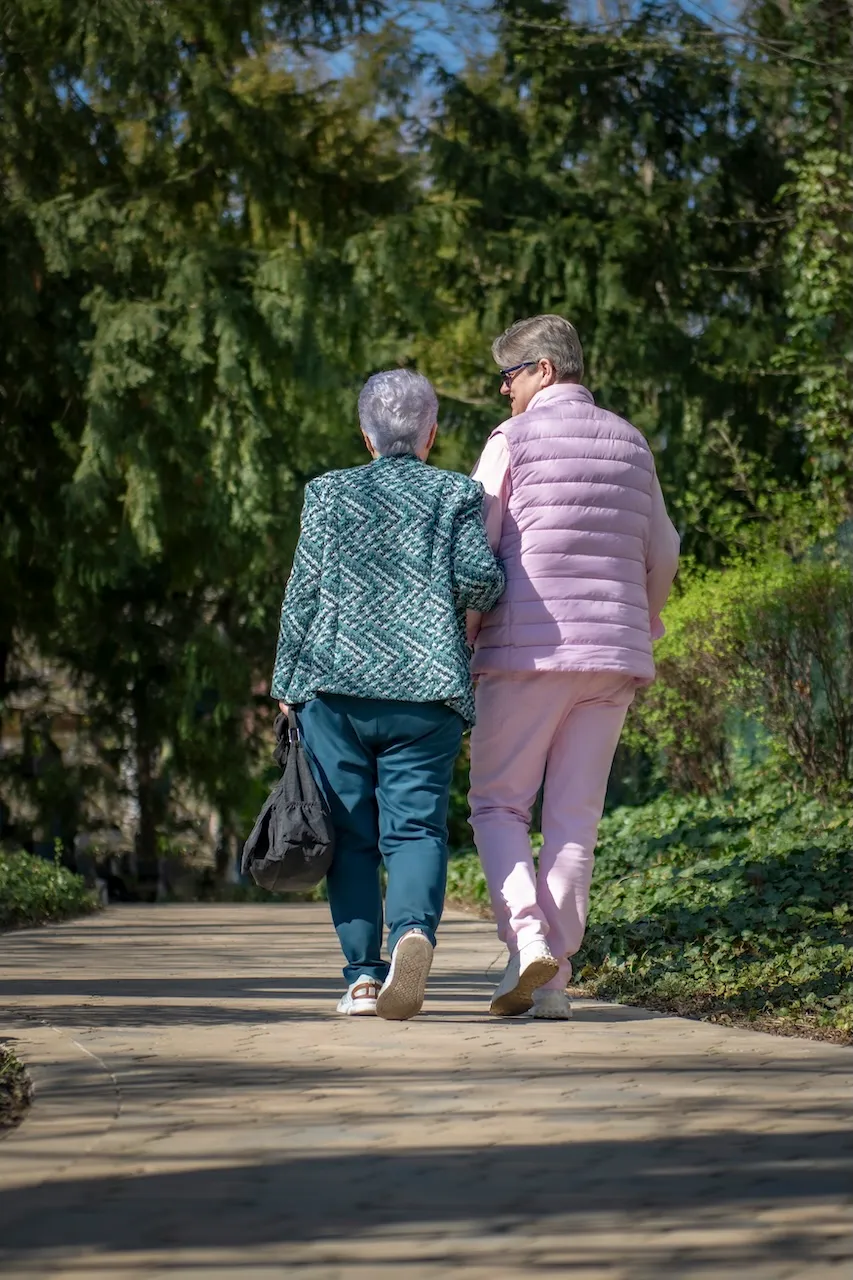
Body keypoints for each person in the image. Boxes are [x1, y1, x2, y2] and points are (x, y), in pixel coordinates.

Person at [271, 369, 505, 1020]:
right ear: (430, 434)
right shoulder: (456, 494)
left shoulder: (328, 494)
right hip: (427, 691)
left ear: (365, 436)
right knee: (416, 829)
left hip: (335, 690)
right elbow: (481, 586)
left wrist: (286, 682)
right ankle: (412, 933)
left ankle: (361, 979)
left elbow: (303, 591)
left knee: (349, 838)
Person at [467, 315, 680, 1020]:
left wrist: (466, 636)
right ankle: (553, 982)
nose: (503, 391)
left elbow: (474, 549)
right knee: (573, 821)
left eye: (509, 375)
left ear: (544, 370)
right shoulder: (630, 441)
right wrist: (641, 625)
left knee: (498, 804)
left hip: (523, 652)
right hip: (612, 656)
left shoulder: (512, 440)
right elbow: (665, 550)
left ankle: (526, 938)